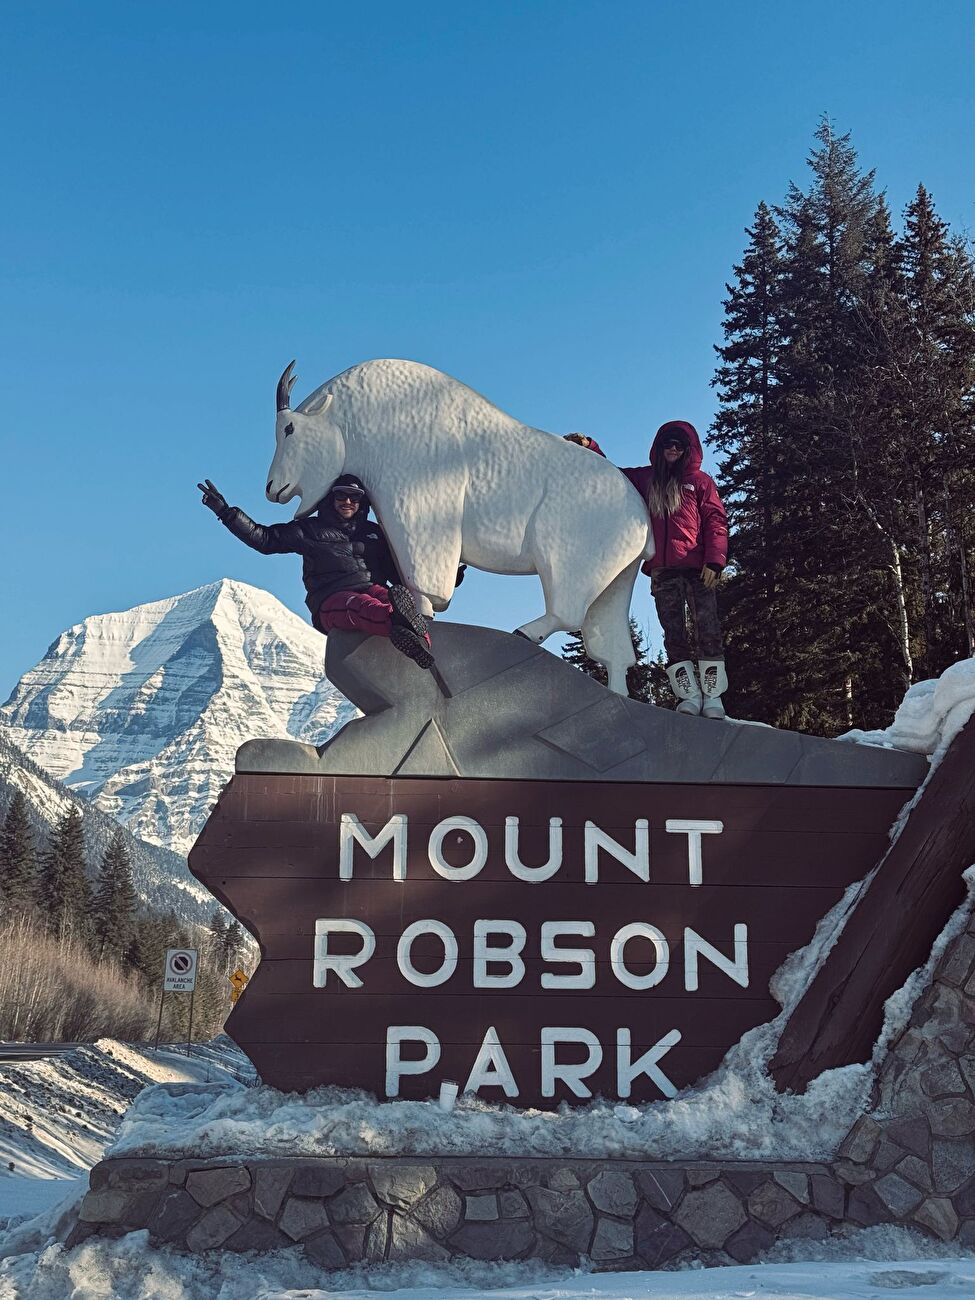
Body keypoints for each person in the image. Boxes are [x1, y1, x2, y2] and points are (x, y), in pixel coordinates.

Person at [197, 473, 435, 669]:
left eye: (354, 497)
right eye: (342, 495)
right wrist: (226, 513)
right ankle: (396, 624)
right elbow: (266, 540)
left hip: (374, 587)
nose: (348, 502)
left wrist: (448, 577)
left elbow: (397, 573)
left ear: (363, 503)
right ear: (331, 498)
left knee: (398, 598)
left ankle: (419, 642)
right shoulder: (311, 529)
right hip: (331, 598)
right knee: (360, 606)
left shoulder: (373, 533)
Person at [622, 422, 729, 718]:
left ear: (687, 450)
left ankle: (713, 696)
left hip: (698, 568)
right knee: (673, 632)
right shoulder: (648, 479)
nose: (672, 449)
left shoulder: (700, 482)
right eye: (668, 444)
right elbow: (613, 476)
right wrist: (590, 448)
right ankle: (688, 694)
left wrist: (715, 560)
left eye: (678, 445)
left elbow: (715, 521)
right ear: (659, 447)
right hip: (663, 570)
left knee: (708, 628)